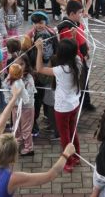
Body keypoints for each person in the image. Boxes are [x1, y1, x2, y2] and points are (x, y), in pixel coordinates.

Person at [0, 86, 76, 196]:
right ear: (13, 157)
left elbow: (0, 125)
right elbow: (50, 175)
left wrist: (14, 98)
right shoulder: (12, 178)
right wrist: (66, 154)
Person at [35, 38, 82, 173]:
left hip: (63, 108)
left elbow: (39, 69)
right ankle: (76, 155)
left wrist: (39, 50)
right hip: (74, 104)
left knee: (65, 135)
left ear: (61, 54)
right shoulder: (77, 62)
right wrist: (73, 37)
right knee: (72, 130)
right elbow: (75, 50)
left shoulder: (61, 70)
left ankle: (69, 161)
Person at [57, 0, 96, 111]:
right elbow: (70, 46)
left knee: (85, 80)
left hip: (82, 57)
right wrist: (81, 54)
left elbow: (83, 39)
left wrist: (86, 51)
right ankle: (79, 103)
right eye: (79, 12)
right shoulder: (66, 28)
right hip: (74, 60)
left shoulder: (79, 24)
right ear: (72, 14)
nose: (82, 14)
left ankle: (86, 102)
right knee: (78, 82)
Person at [25, 11, 58, 136]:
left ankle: (50, 119)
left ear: (46, 22)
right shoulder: (30, 36)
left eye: (41, 22)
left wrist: (53, 63)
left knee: (50, 96)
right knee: (37, 97)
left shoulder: (52, 33)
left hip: (49, 68)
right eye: (35, 23)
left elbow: (56, 49)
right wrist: (31, 69)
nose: (39, 25)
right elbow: (26, 54)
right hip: (35, 70)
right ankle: (34, 124)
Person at [4, 56, 36, 156]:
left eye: (21, 64)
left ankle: (29, 148)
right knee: (16, 126)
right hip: (15, 107)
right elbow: (6, 90)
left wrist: (20, 87)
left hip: (27, 108)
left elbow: (28, 95)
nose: (19, 67)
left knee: (26, 128)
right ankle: (17, 142)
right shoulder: (10, 78)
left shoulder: (29, 78)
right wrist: (10, 99)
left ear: (26, 65)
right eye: (16, 64)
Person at [0, 0, 23, 67]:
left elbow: (20, 21)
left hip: (15, 34)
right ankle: (4, 69)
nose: (11, 1)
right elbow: (1, 23)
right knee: (5, 52)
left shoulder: (17, 9)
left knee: (16, 51)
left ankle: (17, 66)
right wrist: (5, 35)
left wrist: (9, 24)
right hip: (6, 36)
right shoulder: (1, 11)